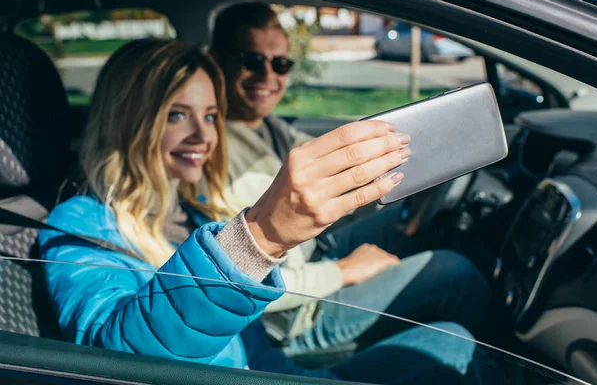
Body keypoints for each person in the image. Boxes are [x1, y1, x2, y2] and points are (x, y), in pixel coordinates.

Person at [38, 39, 484, 384]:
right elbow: (120, 359)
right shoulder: (77, 227)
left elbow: (256, 349)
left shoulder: (190, 210)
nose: (202, 135)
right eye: (177, 115)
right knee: (456, 338)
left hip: (275, 369)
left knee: (454, 339)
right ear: (129, 119)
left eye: (211, 115)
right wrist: (259, 238)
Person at [209, 1, 492, 351]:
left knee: (402, 222)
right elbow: (246, 279)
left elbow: (340, 170)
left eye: (280, 63)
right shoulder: (211, 152)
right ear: (217, 60)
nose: (268, 76)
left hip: (315, 252)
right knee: (456, 274)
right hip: (293, 314)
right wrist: (344, 270)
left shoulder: (270, 128)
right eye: (251, 61)